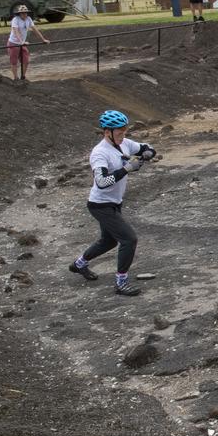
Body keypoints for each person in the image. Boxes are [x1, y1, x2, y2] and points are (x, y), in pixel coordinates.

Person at [68, 110, 157, 297]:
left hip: (115, 202)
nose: (123, 135)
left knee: (108, 241)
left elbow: (145, 147)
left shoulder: (124, 143)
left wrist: (148, 153)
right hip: (101, 205)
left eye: (124, 131)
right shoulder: (100, 153)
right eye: (119, 132)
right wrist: (126, 169)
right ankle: (121, 282)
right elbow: (101, 182)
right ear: (107, 132)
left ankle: (79, 265)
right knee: (129, 239)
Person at [6, 4, 49, 82]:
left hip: (22, 43)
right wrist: (21, 41)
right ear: (19, 13)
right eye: (22, 13)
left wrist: (43, 39)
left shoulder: (28, 19)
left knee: (26, 60)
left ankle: (23, 77)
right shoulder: (15, 19)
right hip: (14, 43)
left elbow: (35, 29)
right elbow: (16, 31)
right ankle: (16, 78)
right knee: (14, 61)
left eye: (25, 12)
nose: (24, 14)